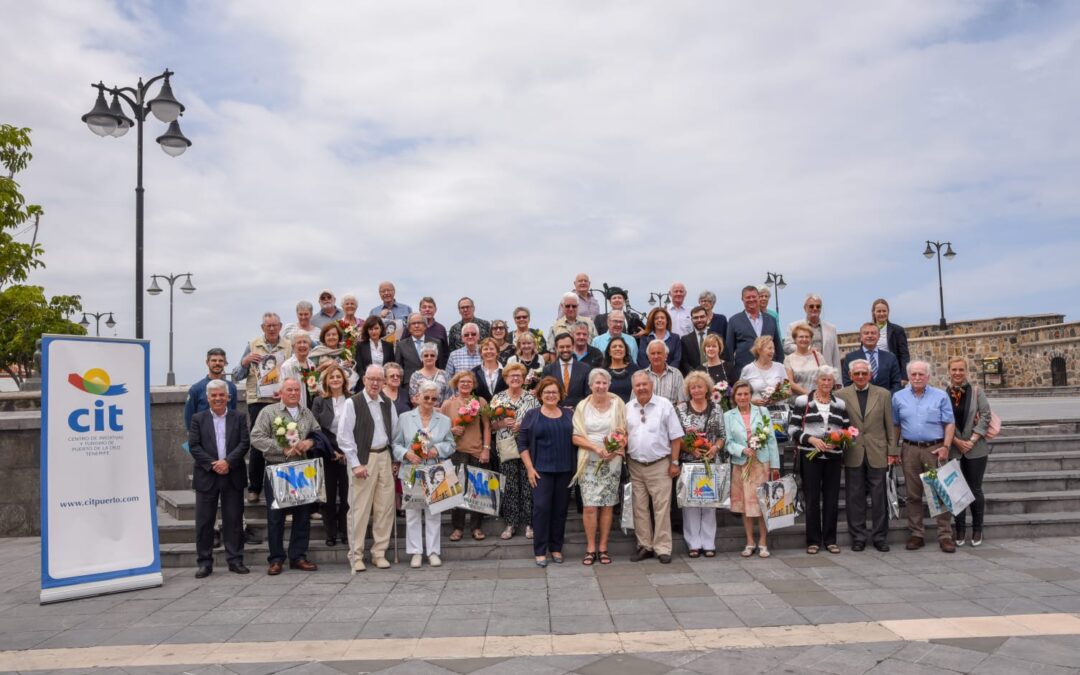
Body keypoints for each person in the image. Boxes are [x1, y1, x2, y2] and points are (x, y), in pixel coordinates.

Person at [249, 377, 320, 575]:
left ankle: (298, 556)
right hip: (278, 468)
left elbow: (317, 433)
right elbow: (256, 437)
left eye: (297, 390)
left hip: (301, 470)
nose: (293, 393)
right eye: (289, 390)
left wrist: (309, 443)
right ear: (281, 392)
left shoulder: (307, 413)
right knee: (275, 517)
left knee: (303, 515)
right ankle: (276, 559)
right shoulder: (269, 412)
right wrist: (282, 448)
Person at [339, 365, 400, 572]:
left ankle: (379, 553)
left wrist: (394, 459)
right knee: (359, 509)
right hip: (364, 459)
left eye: (379, 379)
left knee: (385, 508)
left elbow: (395, 433)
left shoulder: (388, 403)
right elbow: (344, 437)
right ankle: (355, 555)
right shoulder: (352, 403)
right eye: (371, 379)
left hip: (384, 456)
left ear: (384, 382)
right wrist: (355, 464)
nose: (375, 383)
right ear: (364, 380)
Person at [893, 360, 957, 553]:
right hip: (910, 449)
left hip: (934, 449)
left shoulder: (940, 396)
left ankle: (945, 535)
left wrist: (946, 446)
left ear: (928, 376)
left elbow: (949, 423)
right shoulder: (898, 397)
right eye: (914, 374)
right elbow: (896, 424)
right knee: (913, 495)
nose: (918, 378)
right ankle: (916, 534)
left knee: (939, 492)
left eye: (921, 374)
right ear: (909, 376)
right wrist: (895, 449)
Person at [188, 379, 250, 577]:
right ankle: (205, 562)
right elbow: (194, 446)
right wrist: (214, 464)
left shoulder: (239, 417)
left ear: (228, 397)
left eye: (221, 395)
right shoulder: (198, 418)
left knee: (233, 521)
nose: (218, 398)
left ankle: (235, 559)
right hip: (207, 475)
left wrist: (227, 462)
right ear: (208, 398)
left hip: (233, 474)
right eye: (214, 395)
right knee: (205, 522)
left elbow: (244, 443)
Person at [393, 380, 456, 568]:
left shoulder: (444, 420)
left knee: (434, 512)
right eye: (426, 397)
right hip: (412, 469)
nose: (429, 401)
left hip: (436, 469)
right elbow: (395, 444)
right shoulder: (404, 418)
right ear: (418, 397)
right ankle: (415, 552)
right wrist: (406, 454)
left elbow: (452, 444)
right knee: (412, 512)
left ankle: (433, 551)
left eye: (434, 398)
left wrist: (438, 449)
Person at [836, 358, 897, 552]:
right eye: (857, 373)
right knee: (855, 497)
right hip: (853, 452)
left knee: (879, 497)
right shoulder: (840, 395)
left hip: (877, 451)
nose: (861, 376)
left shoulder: (884, 394)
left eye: (864, 373)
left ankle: (879, 537)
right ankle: (858, 536)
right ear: (851, 375)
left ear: (870, 375)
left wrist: (892, 451)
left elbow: (890, 425)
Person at [788, 366, 850, 555]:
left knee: (831, 499)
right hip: (810, 456)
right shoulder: (803, 401)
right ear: (817, 381)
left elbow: (848, 430)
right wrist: (811, 439)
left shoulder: (839, 403)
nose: (826, 383)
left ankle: (830, 540)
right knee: (812, 498)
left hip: (832, 457)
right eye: (823, 379)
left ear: (834, 383)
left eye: (829, 380)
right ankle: (813, 540)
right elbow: (792, 429)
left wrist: (839, 441)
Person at [232, 312, 292, 504]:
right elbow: (237, 375)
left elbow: (292, 373)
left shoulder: (288, 346)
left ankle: (279, 487)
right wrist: (245, 361)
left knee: (282, 442)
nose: (272, 329)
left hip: (279, 400)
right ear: (262, 328)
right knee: (258, 443)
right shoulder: (252, 345)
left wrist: (283, 391)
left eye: (275, 325)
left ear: (280, 326)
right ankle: (255, 488)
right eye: (268, 326)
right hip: (257, 401)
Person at [625, 371, 684, 564]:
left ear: (652, 385)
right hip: (635, 465)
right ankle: (645, 546)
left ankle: (662, 548)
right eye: (637, 385)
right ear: (633, 388)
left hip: (660, 464)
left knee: (661, 508)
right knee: (639, 508)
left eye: (644, 384)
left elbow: (676, 437)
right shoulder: (627, 407)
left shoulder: (664, 405)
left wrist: (674, 462)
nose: (641, 388)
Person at [570, 369, 627, 566]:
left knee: (608, 504)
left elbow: (624, 432)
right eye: (597, 383)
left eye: (604, 383)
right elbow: (576, 436)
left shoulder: (618, 404)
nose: (601, 386)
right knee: (590, 505)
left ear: (609, 385)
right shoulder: (582, 406)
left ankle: (603, 547)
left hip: (612, 460)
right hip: (588, 458)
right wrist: (596, 447)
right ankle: (590, 547)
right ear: (590, 385)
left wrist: (614, 449)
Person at [519, 377, 576, 567]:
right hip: (540, 471)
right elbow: (523, 444)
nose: (551, 395)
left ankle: (556, 547)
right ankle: (540, 550)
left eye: (554, 392)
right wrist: (529, 468)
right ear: (540, 395)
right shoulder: (532, 415)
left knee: (560, 511)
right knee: (541, 509)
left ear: (560, 394)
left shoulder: (569, 415)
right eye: (547, 392)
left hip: (565, 470)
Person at [724, 380, 780, 558]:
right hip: (741, 464)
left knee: (762, 504)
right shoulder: (728, 416)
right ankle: (750, 541)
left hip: (761, 463)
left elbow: (771, 439)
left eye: (746, 394)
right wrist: (742, 450)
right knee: (746, 506)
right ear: (734, 397)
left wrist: (775, 466)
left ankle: (763, 542)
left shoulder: (762, 411)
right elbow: (727, 442)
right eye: (739, 394)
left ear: (750, 395)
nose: (742, 397)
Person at [674, 371, 725, 557]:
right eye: (693, 387)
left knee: (709, 503)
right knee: (691, 504)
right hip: (689, 463)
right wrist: (689, 449)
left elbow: (722, 435)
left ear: (707, 389)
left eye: (700, 387)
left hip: (711, 462)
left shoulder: (717, 408)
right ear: (688, 390)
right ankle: (693, 543)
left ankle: (708, 542)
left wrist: (715, 449)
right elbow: (677, 436)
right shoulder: (680, 409)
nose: (696, 390)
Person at [946, 357, 994, 547]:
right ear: (949, 371)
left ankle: (977, 529)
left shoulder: (976, 392)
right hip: (954, 449)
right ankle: (959, 530)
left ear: (966, 371)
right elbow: (943, 419)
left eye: (961, 370)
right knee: (956, 491)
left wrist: (972, 440)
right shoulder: (944, 394)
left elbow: (986, 415)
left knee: (975, 489)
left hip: (976, 449)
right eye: (954, 370)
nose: (957, 373)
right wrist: (957, 441)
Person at [490, 362, 540, 540]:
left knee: (528, 484)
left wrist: (524, 426)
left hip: (527, 446)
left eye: (519, 375)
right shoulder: (498, 398)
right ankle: (510, 524)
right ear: (505, 379)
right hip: (506, 446)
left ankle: (529, 524)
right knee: (510, 485)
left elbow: (538, 422)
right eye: (512, 376)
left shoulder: (531, 398)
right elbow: (490, 426)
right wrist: (502, 423)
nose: (515, 378)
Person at [442, 370, 492, 542]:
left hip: (477, 451)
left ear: (473, 385)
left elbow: (487, 426)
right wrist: (451, 430)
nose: (465, 384)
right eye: (462, 381)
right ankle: (457, 528)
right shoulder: (448, 404)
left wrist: (486, 448)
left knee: (478, 492)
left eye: (469, 382)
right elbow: (440, 429)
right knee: (457, 492)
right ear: (456, 384)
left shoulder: (480, 401)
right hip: (456, 452)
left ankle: (476, 527)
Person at [310, 365, 351, 548]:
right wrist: (331, 451)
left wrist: (346, 452)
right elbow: (316, 429)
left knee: (347, 496)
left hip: (348, 455)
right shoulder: (319, 401)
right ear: (326, 381)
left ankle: (345, 531)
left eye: (338, 376)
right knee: (328, 497)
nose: (335, 379)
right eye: (331, 377)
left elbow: (356, 427)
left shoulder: (352, 399)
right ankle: (331, 533)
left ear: (344, 379)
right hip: (327, 454)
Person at [726, 285, 783, 372]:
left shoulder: (771, 320)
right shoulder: (734, 321)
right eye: (748, 297)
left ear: (758, 298)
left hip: (770, 371)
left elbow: (778, 347)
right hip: (744, 372)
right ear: (742, 299)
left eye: (754, 297)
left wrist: (780, 368)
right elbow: (729, 350)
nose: (751, 299)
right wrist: (731, 374)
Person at [184, 347, 238, 431]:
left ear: (225, 363)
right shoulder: (196, 389)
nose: (217, 363)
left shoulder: (231, 387)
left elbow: (233, 412)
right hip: (204, 434)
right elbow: (189, 416)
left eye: (220, 361)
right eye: (213, 360)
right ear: (207, 363)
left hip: (226, 434)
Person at [841, 323, 903, 393]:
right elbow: (847, 383)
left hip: (885, 401)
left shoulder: (890, 357)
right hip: (860, 401)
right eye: (866, 333)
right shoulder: (850, 357)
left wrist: (887, 398)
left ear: (879, 336)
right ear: (861, 337)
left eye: (873, 333)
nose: (870, 336)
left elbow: (896, 383)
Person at [783, 294, 841, 368]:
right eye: (811, 306)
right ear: (805, 308)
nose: (815, 308)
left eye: (818, 306)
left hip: (825, 373)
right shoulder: (793, 326)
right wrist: (807, 349)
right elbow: (787, 347)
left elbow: (835, 356)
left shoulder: (831, 329)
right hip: (802, 371)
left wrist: (837, 378)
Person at [542, 333, 591, 408]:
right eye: (561, 347)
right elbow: (544, 394)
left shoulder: (585, 368)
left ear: (573, 347)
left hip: (579, 413)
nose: (565, 350)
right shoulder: (548, 369)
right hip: (554, 413)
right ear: (556, 348)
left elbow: (589, 394)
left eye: (568, 346)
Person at [396, 313, 445, 383]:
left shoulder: (436, 343)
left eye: (419, 323)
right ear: (409, 328)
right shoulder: (401, 345)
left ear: (425, 326)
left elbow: (440, 366)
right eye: (413, 323)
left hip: (432, 385)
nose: (416, 326)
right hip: (409, 386)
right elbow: (398, 369)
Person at [741, 336, 789, 407]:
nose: (772, 351)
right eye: (769, 348)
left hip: (777, 410)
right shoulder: (748, 369)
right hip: (755, 410)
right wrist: (752, 401)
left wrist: (775, 398)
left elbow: (787, 390)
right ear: (759, 350)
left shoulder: (780, 367)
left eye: (773, 348)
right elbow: (740, 392)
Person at [312, 321, 359, 392]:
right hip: (324, 393)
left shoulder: (346, 351)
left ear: (338, 336)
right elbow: (310, 376)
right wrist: (323, 366)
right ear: (323, 337)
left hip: (346, 392)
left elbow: (355, 372)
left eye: (334, 334)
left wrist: (351, 365)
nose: (331, 337)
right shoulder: (317, 352)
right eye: (328, 335)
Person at [872, 298, 910, 381]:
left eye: (884, 311)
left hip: (892, 373)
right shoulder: (868, 331)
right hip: (873, 374)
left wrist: (905, 377)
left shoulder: (897, 330)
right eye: (879, 311)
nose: (882, 313)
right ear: (874, 313)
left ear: (888, 312)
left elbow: (904, 355)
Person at [784, 322, 826, 397]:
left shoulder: (818, 356)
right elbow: (790, 383)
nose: (804, 339)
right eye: (801, 337)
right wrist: (810, 394)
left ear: (811, 339)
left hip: (818, 400)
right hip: (798, 402)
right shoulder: (788, 359)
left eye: (807, 337)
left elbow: (825, 377)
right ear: (795, 339)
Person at [679, 306, 721, 375]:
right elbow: (684, 362)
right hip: (694, 378)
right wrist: (696, 375)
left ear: (707, 317)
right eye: (696, 318)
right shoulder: (685, 340)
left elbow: (723, 356)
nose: (699, 320)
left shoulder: (717, 337)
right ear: (691, 320)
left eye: (702, 317)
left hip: (716, 375)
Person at [280, 333, 318, 408]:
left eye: (305, 342)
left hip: (311, 407)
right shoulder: (287, 366)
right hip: (295, 408)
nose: (302, 345)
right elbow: (285, 392)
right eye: (299, 342)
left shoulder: (311, 364)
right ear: (293, 347)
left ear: (310, 346)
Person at [643, 339, 686, 403]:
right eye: (653, 353)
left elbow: (683, 401)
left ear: (666, 355)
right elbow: (634, 402)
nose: (656, 356)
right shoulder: (641, 376)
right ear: (648, 357)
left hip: (671, 412)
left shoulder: (677, 374)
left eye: (659, 353)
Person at [603, 336, 638, 402]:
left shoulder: (634, 369)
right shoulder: (603, 372)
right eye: (614, 347)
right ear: (609, 352)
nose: (618, 348)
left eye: (621, 346)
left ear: (625, 351)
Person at [473, 337, 507, 402]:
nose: (489, 351)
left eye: (492, 349)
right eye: (485, 349)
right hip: (481, 411)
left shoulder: (506, 372)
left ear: (497, 352)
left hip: (503, 411)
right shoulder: (474, 372)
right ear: (481, 353)